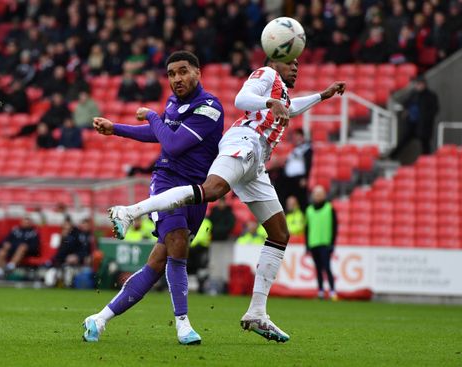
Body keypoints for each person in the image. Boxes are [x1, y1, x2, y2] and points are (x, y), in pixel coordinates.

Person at [107, 56, 345, 342]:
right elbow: (242, 99)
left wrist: (322, 95)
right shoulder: (266, 73)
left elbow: (290, 109)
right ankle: (130, 211)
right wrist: (271, 103)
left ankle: (257, 312)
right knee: (212, 191)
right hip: (243, 141)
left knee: (280, 233)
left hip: (257, 161)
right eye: (291, 61)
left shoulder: (280, 90)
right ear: (275, 59)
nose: (296, 67)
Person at [84, 51, 224, 346]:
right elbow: (163, 141)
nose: (177, 79)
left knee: (159, 262)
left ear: (198, 72)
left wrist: (151, 115)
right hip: (166, 181)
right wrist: (117, 129)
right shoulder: (172, 104)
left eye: (183, 71)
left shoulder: (209, 107)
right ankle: (183, 325)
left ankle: (99, 318)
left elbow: (172, 142)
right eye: (171, 74)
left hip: (196, 192)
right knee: (177, 242)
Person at [390, 76, 439, 158]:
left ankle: (426, 161)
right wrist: (406, 111)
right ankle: (392, 156)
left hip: (424, 125)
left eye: (420, 84)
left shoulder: (431, 96)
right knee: (404, 141)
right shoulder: (413, 94)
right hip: (412, 123)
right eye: (417, 84)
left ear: (424, 85)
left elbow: (435, 109)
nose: (418, 86)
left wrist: (426, 119)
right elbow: (406, 103)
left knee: (425, 144)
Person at [305, 186, 338, 300]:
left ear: (324, 195)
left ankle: (333, 291)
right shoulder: (309, 210)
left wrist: (332, 243)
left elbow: (334, 227)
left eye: (319, 194)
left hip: (325, 243)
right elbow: (307, 229)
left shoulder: (329, 208)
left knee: (327, 267)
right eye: (315, 194)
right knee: (318, 269)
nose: (317, 196)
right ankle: (320, 291)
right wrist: (307, 245)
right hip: (314, 243)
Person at [44, 218, 93, 287]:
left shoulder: (77, 236)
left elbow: (82, 250)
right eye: (65, 226)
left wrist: (77, 256)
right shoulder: (59, 237)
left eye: (68, 226)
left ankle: (68, 285)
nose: (66, 228)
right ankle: (52, 284)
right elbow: (58, 252)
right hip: (61, 261)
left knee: (68, 271)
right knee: (51, 272)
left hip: (73, 260)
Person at [282, 128, 312, 210]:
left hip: (299, 179)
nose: (296, 139)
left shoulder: (306, 149)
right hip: (289, 179)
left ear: (302, 137)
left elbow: (308, 163)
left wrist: (305, 178)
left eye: (298, 136)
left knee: (301, 200)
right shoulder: (293, 149)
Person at [187, 217, 212, 293]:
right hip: (191, 248)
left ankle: (200, 287)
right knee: (189, 266)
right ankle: (192, 286)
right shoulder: (192, 220)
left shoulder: (206, 222)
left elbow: (204, 235)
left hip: (200, 247)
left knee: (200, 267)